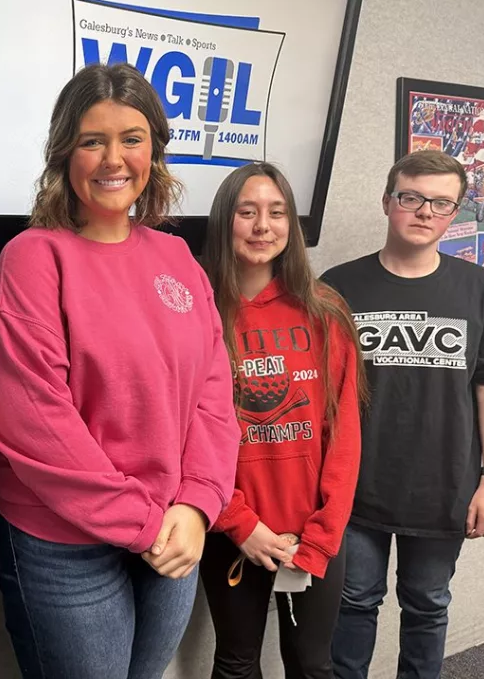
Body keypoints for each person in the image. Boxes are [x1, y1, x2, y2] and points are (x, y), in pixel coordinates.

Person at [0, 62, 240, 679]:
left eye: (132, 139)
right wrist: (142, 523)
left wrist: (198, 503)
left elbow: (212, 391)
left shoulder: (176, 256)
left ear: (154, 152)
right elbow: (33, 419)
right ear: (64, 154)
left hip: (172, 526)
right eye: (92, 141)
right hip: (66, 544)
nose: (113, 159)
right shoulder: (33, 257)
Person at [322, 150, 484, 679]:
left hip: (443, 485)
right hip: (355, 484)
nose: (425, 211)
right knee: (353, 603)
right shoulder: (335, 287)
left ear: (454, 213)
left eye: (441, 203)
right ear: (387, 202)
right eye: (412, 197)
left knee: (427, 604)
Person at [199, 162, 364, 679]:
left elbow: (344, 435)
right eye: (247, 212)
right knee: (235, 663)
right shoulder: (199, 312)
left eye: (276, 213)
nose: (262, 226)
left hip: (313, 532)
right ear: (225, 221)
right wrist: (240, 524)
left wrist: (319, 537)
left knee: (313, 665)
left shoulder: (325, 312)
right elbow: (186, 435)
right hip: (232, 528)